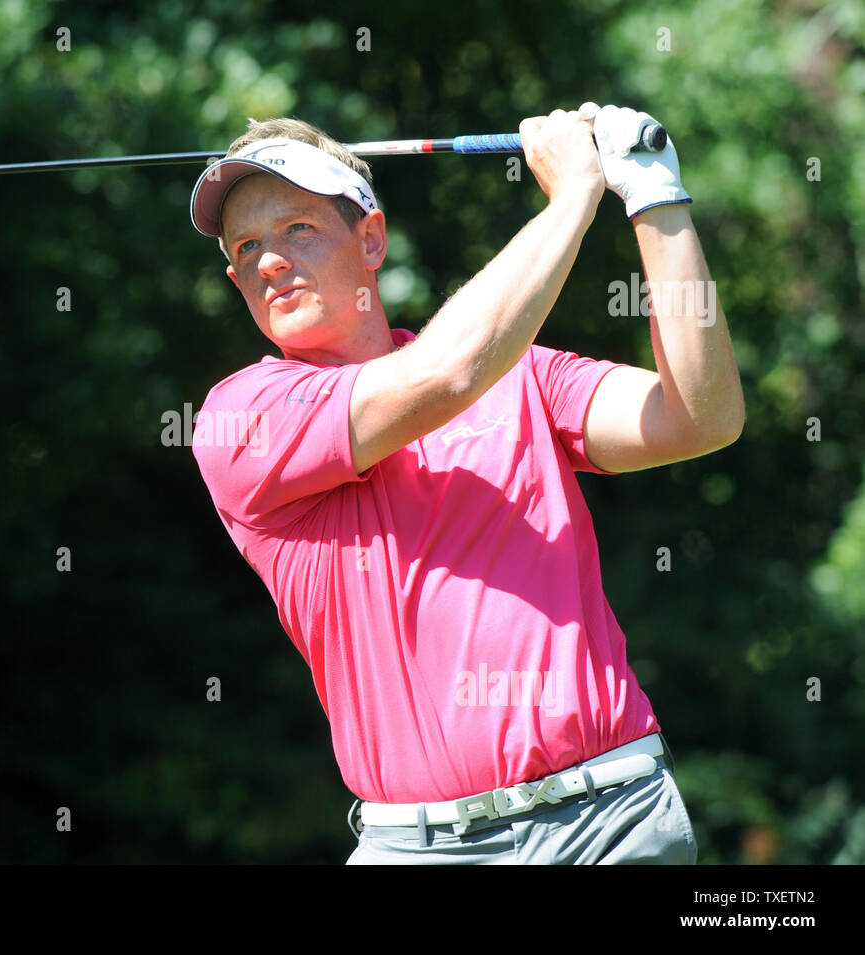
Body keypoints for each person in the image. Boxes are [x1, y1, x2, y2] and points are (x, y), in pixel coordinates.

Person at [186, 107, 744, 864]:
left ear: (371, 239)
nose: (271, 261)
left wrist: (653, 196)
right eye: (247, 247)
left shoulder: (519, 374)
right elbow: (446, 374)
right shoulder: (239, 418)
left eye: (298, 229)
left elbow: (700, 418)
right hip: (415, 845)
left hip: (609, 820)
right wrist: (577, 192)